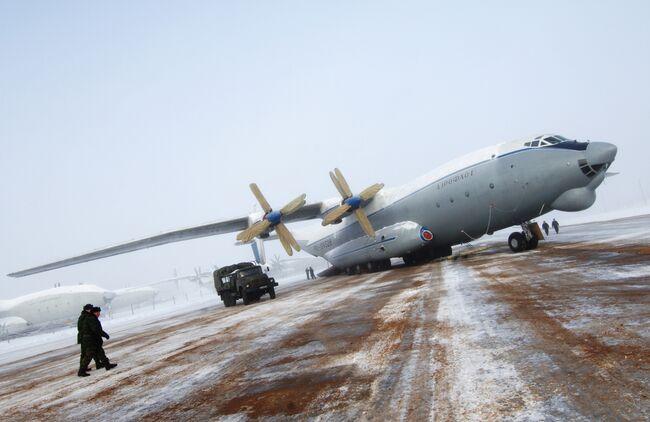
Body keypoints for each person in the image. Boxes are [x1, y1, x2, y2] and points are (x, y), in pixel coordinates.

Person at [78, 306, 117, 377]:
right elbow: (96, 330)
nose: (99, 314)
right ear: (94, 312)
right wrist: (104, 334)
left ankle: (107, 365)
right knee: (88, 356)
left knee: (100, 352)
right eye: (98, 312)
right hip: (91, 340)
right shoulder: (91, 319)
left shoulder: (92, 318)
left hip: (93, 340)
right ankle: (81, 371)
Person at [77, 303, 99, 373]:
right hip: (84, 337)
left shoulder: (83, 316)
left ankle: (85, 367)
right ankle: (82, 368)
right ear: (88, 309)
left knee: (91, 351)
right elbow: (82, 328)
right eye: (91, 309)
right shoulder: (85, 316)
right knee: (86, 353)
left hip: (84, 337)